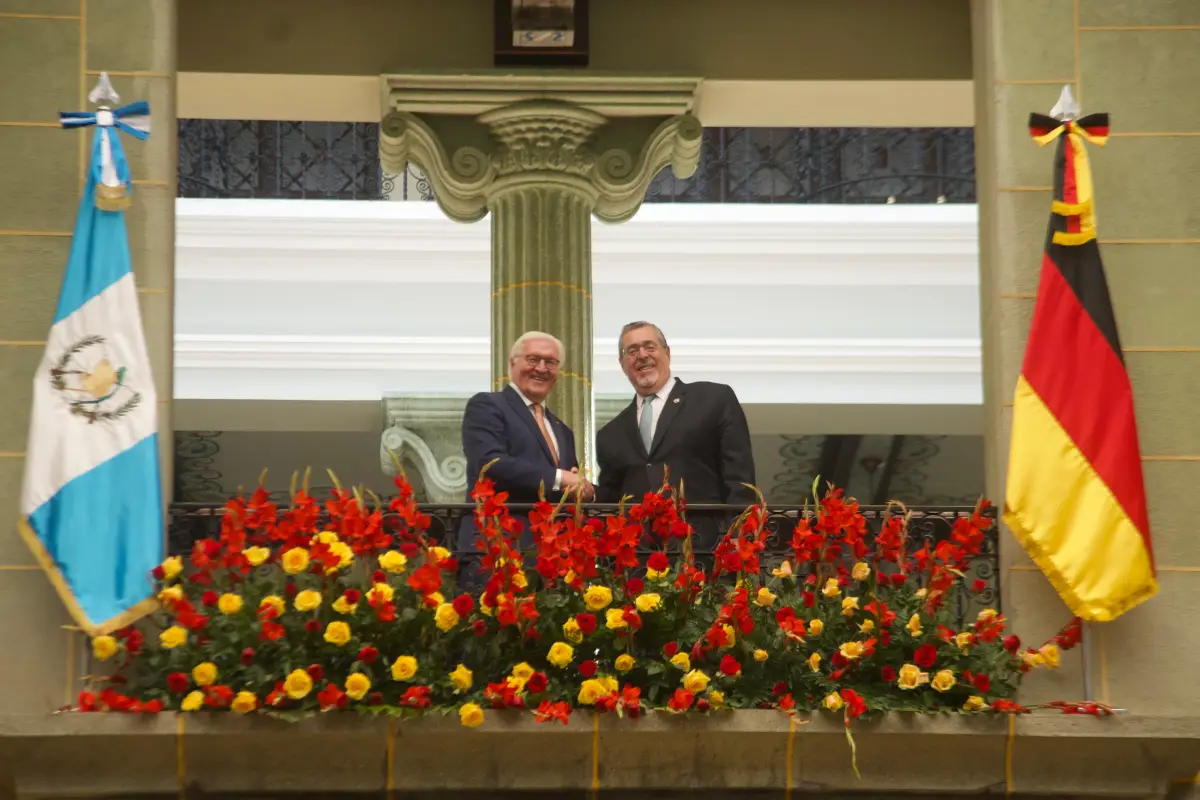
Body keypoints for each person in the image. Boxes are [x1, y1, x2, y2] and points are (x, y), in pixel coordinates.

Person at [596, 321, 756, 558]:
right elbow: (611, 500)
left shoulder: (713, 398)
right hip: (639, 560)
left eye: (649, 347)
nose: (641, 355)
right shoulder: (610, 433)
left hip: (705, 548)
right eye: (631, 351)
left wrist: (741, 532)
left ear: (667, 353)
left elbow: (738, 471)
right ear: (622, 364)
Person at [456, 331, 593, 583]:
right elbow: (490, 462)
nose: (541, 368)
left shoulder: (562, 429)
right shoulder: (487, 405)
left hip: (552, 559)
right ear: (512, 364)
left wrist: (584, 489)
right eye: (533, 359)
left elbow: (566, 483)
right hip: (497, 548)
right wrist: (561, 478)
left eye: (550, 362)